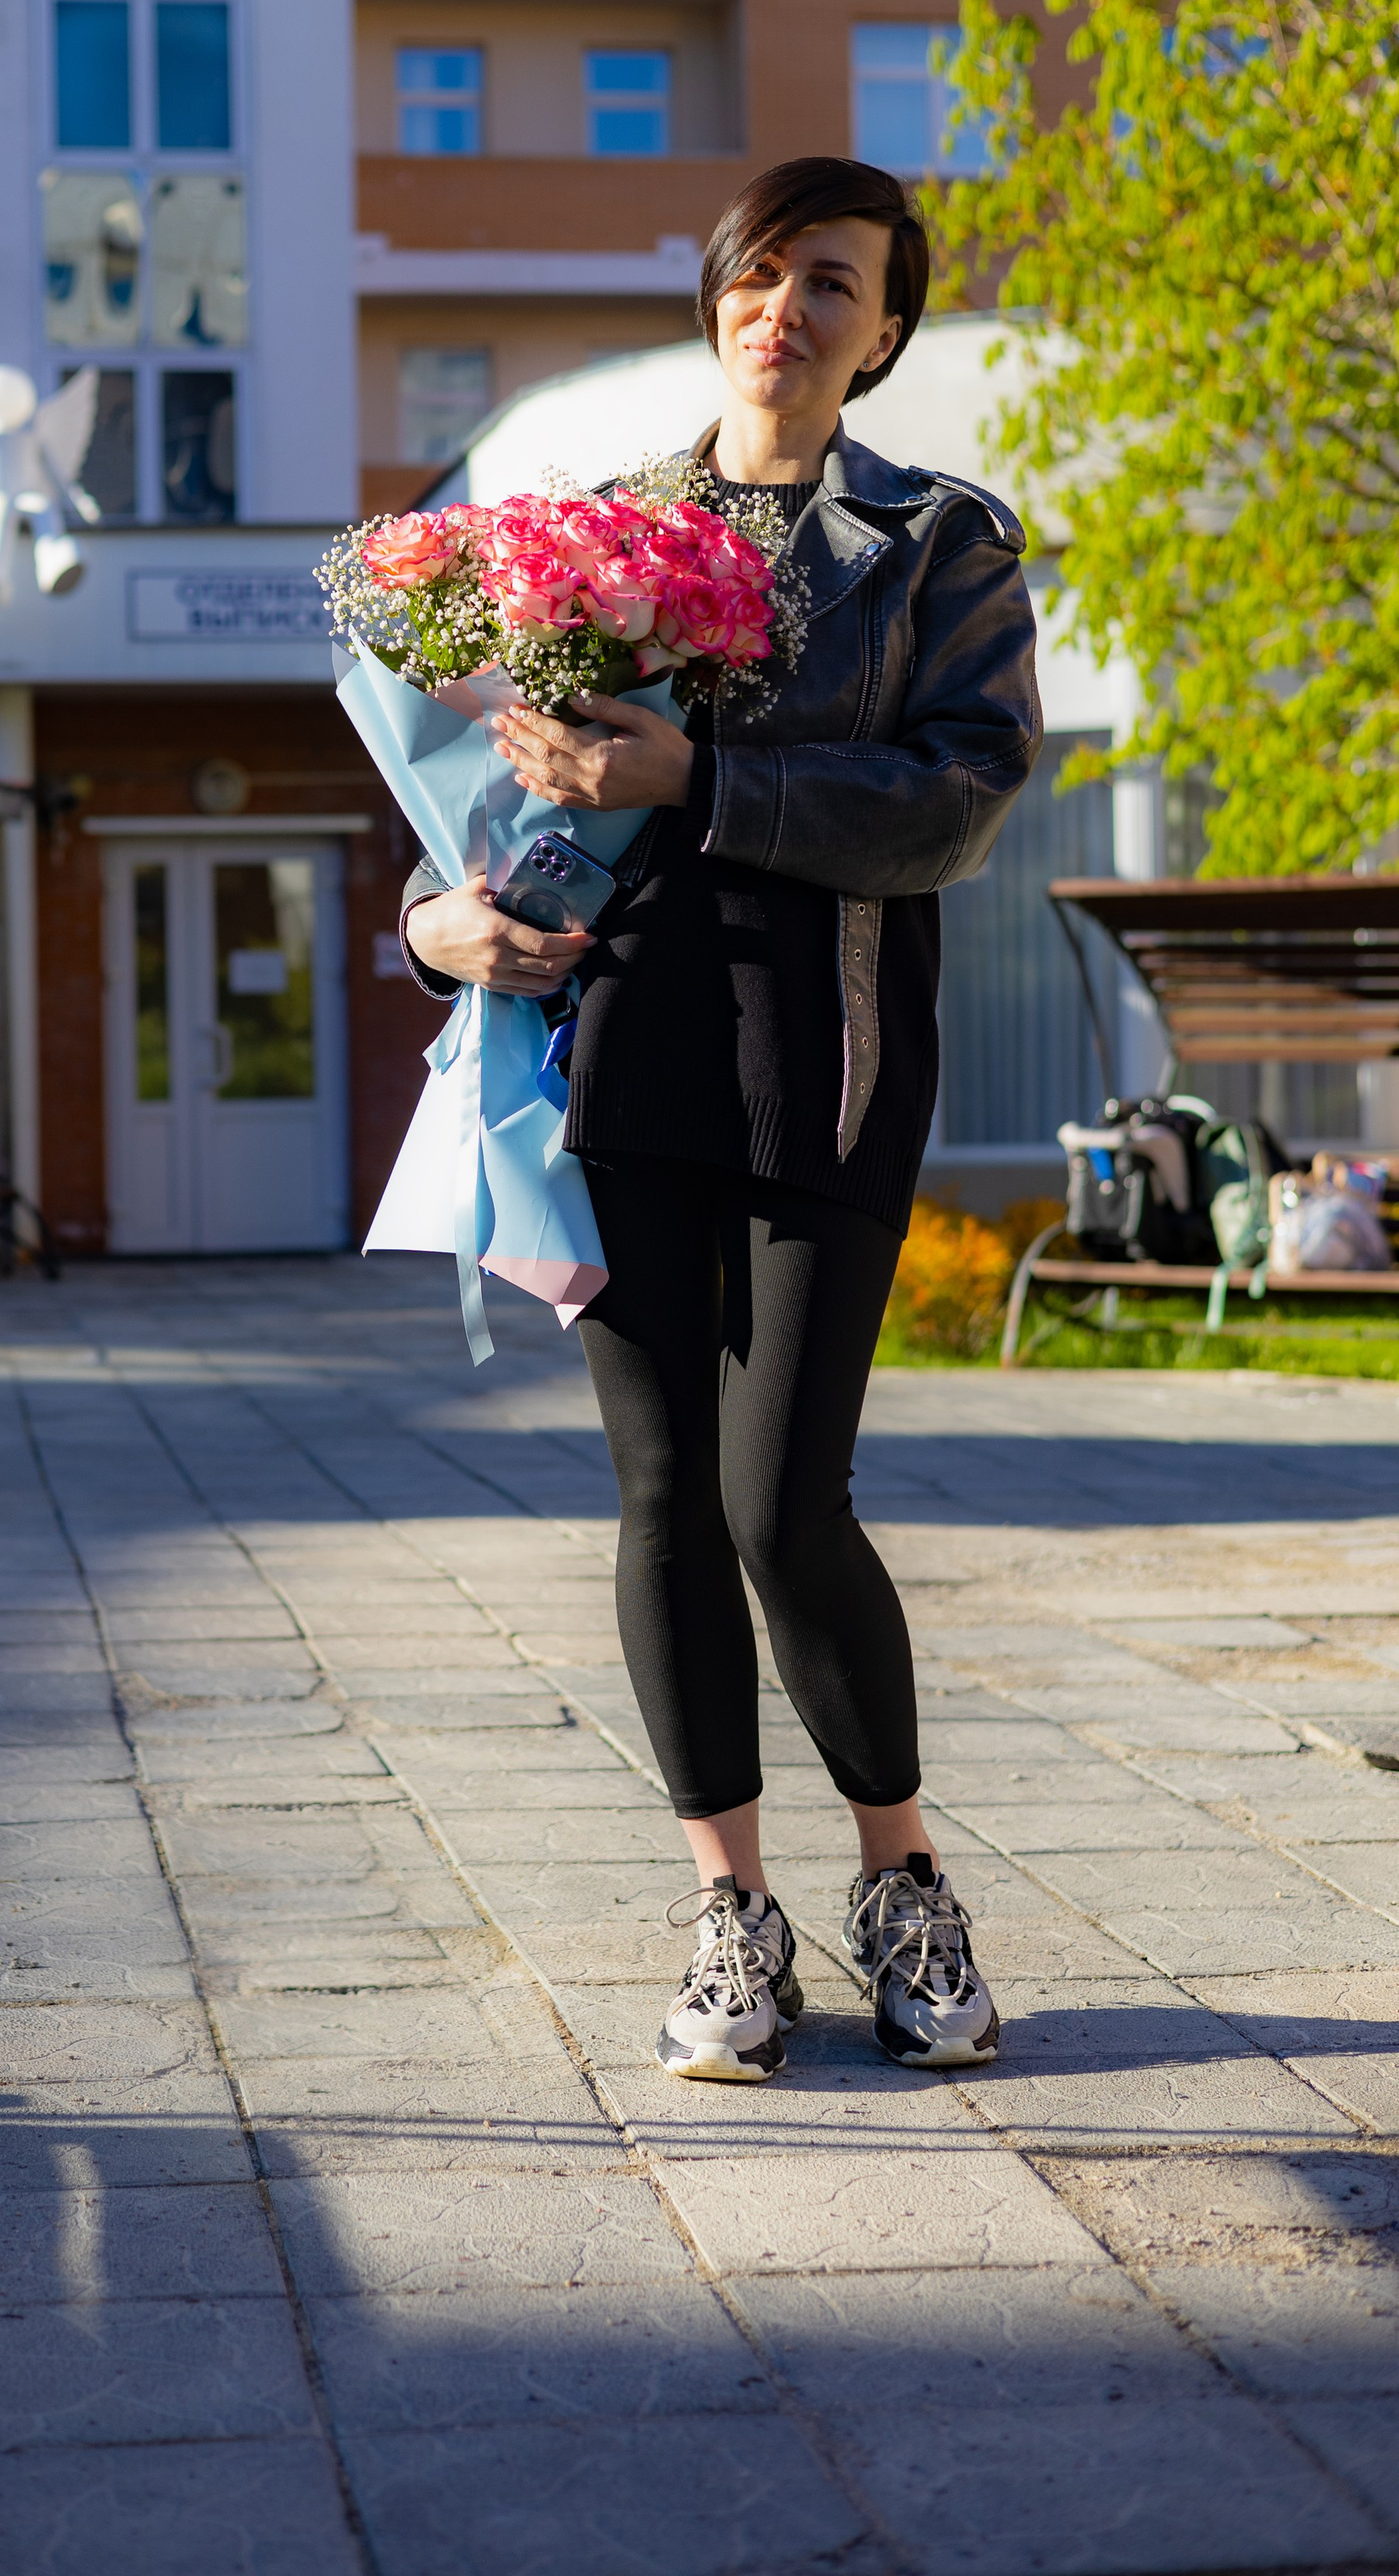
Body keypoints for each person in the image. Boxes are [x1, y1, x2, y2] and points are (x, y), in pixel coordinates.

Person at [399, 156, 1041, 2081]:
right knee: (666, 1495)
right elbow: (478, 808)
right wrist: (437, 927)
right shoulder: (583, 535)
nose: (786, 308)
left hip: (821, 1057)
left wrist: (703, 772)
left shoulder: (935, 542)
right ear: (714, 300)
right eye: (760, 275)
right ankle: (726, 1915)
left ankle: (900, 1879)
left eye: (830, 283)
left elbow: (958, 796)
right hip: (613, 1061)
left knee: (784, 1498)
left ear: (882, 330)